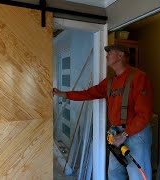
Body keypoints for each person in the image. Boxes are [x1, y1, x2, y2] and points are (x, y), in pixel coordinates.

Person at [53, 44, 153, 180]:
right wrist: (63, 94)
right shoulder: (110, 82)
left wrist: (124, 134)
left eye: (110, 52)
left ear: (121, 55)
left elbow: (144, 114)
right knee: (114, 173)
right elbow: (88, 94)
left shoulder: (139, 78)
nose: (106, 55)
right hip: (116, 134)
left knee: (137, 176)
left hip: (135, 135)